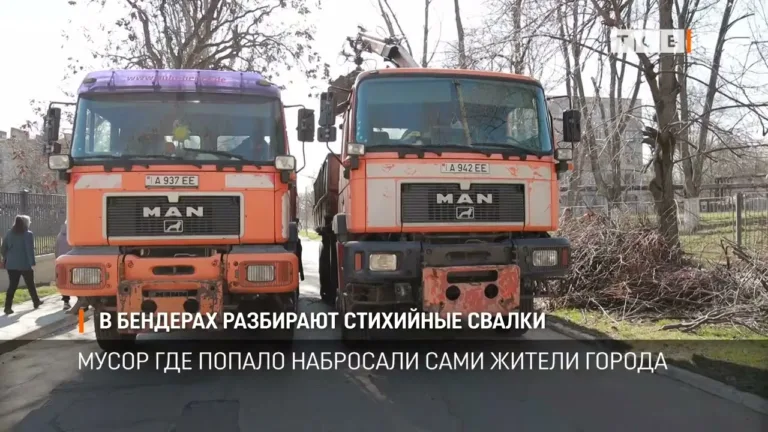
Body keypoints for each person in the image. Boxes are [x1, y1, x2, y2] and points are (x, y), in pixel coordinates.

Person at [2, 215, 43, 314]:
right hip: (25, 264)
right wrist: (32, 262)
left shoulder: (9, 233)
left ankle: (7, 307)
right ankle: (36, 302)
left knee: (12, 286)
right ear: (26, 223)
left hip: (11, 264)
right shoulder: (28, 234)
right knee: (30, 284)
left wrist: (7, 257)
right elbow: (29, 250)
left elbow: (3, 248)